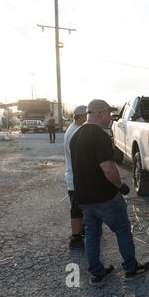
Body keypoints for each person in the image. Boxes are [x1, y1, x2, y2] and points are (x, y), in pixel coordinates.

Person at [70, 99, 149, 285]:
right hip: (105, 197)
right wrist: (120, 186)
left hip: (84, 198)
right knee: (122, 231)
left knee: (91, 235)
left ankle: (97, 274)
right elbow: (109, 169)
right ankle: (131, 269)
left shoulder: (76, 135)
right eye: (108, 113)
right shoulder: (100, 136)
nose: (110, 117)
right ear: (99, 113)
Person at [64, 105, 87, 250]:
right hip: (75, 178)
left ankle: (81, 231)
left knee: (79, 207)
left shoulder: (75, 129)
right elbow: (79, 158)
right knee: (76, 209)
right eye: (86, 116)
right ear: (80, 117)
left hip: (75, 177)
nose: (87, 118)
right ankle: (76, 237)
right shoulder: (74, 132)